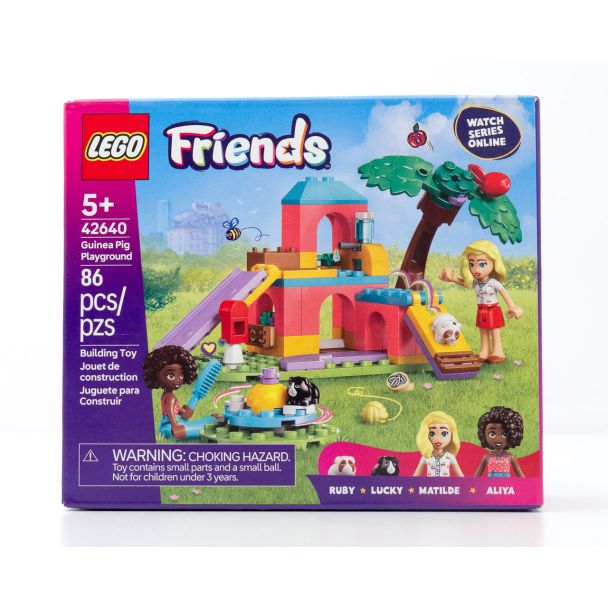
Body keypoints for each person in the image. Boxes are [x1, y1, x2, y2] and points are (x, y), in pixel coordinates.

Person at [439, 239, 523, 364]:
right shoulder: (476, 283)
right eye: (472, 265)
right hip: (481, 309)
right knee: (483, 331)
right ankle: (484, 352)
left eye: (482, 264)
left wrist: (512, 306)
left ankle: (498, 352)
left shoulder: (493, 283)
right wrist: (452, 278)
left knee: (494, 330)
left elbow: (504, 293)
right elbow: (464, 283)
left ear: (494, 263)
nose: (476, 269)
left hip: (492, 309)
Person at [474, 406, 525, 478]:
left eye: (504, 434)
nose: (498, 439)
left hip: (505, 484)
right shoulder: (487, 457)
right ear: (484, 434)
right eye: (492, 434)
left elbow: (521, 477)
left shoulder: (510, 457)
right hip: (491, 484)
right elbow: (476, 477)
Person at [413, 411, 464, 477]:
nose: (438, 439)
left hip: (445, 484)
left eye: (444, 434)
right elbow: (415, 476)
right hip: (430, 483)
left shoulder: (449, 457)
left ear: (452, 435)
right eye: (432, 434)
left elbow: (461, 477)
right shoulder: (426, 456)